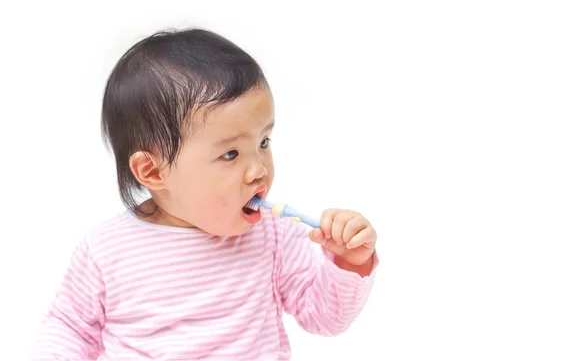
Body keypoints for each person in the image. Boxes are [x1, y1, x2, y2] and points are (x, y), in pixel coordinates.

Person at [31, 28, 379, 360]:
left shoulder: (273, 237)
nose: (258, 169)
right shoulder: (106, 251)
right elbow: (69, 328)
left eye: (263, 142)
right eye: (230, 154)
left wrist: (349, 262)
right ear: (153, 171)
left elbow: (325, 318)